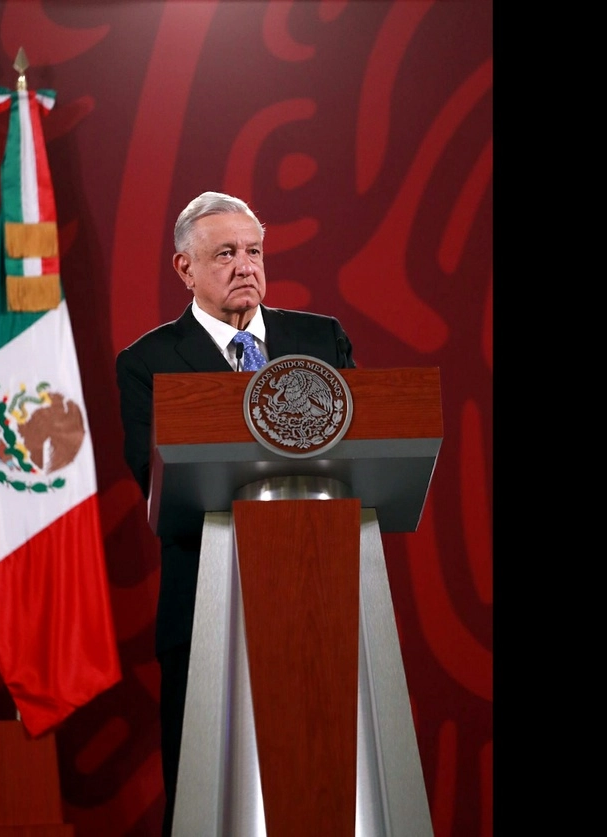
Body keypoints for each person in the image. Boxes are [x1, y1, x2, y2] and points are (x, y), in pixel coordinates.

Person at [115, 191, 356, 836]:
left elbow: (363, 451)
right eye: (225, 253)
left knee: (324, 787)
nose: (246, 265)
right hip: (205, 606)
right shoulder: (147, 364)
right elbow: (158, 484)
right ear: (184, 268)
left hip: (318, 600)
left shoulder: (319, 339)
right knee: (207, 801)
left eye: (254, 251)